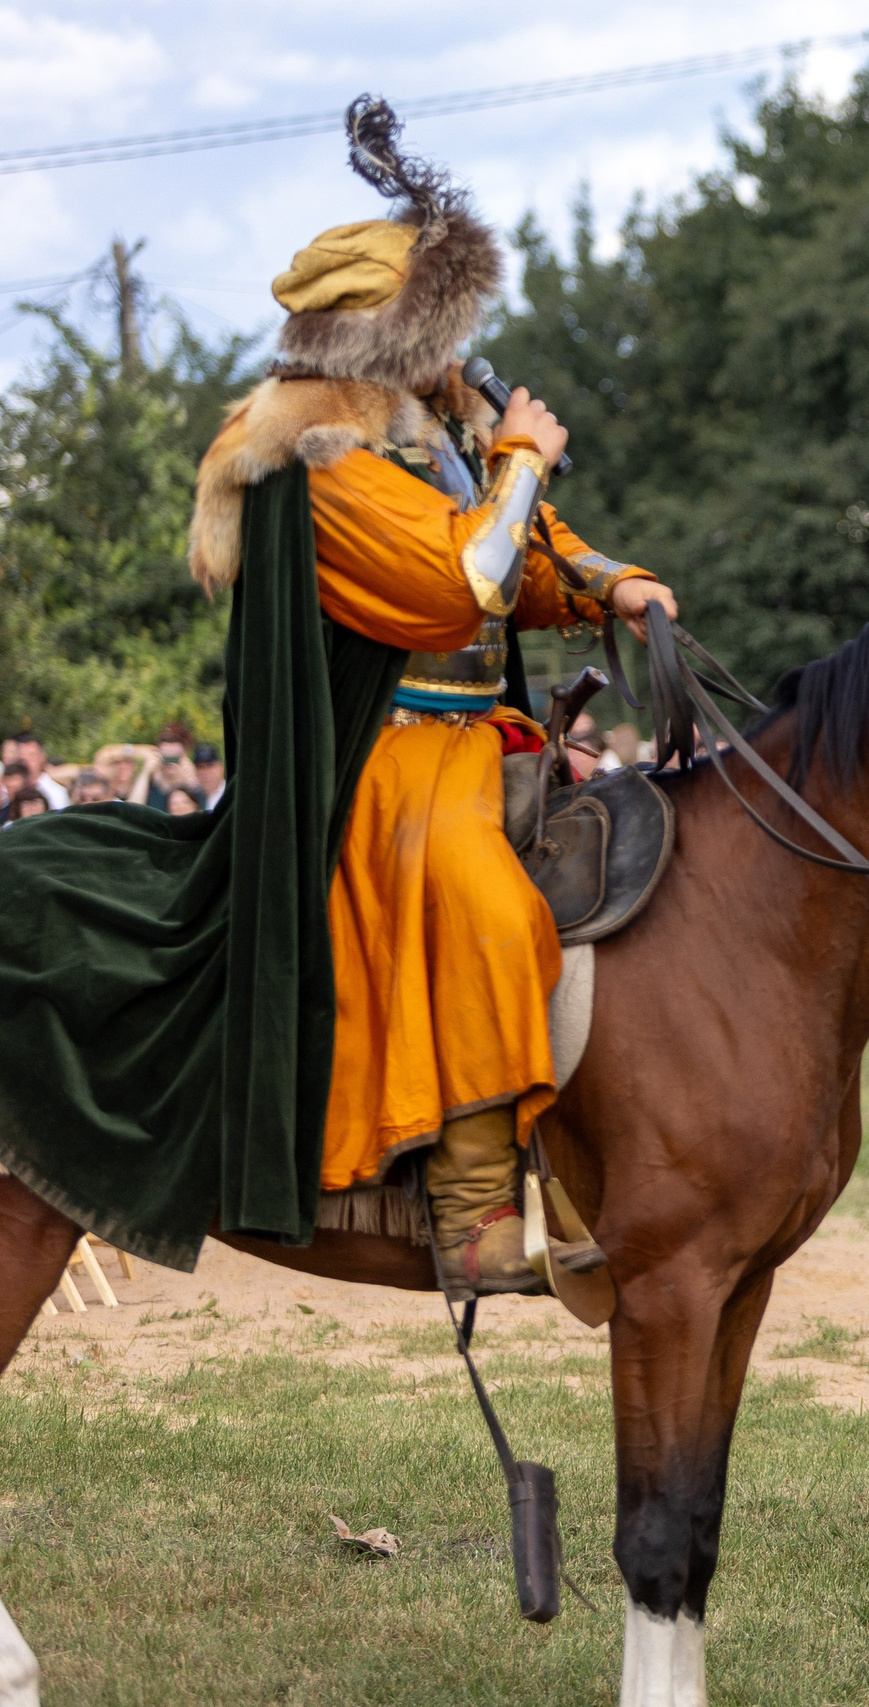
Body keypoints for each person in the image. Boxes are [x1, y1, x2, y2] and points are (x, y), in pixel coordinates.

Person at [2, 103, 682, 1292]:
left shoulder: (431, 439)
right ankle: (471, 1209)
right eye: (443, 330)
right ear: (387, 337)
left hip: (480, 738)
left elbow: (521, 560)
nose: (461, 353)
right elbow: (456, 583)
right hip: (385, 762)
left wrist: (607, 581)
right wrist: (522, 461)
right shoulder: (322, 459)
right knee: (486, 899)